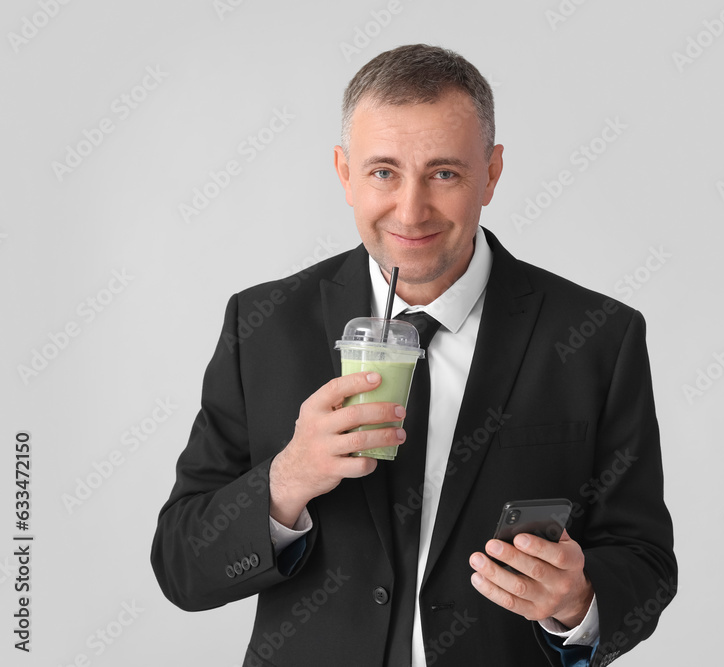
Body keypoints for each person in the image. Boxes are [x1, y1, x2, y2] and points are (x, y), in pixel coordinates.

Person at [151, 44, 676, 667]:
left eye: (444, 173)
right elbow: (183, 566)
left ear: (492, 171)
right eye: (383, 172)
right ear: (345, 173)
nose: (410, 209)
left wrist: (578, 601)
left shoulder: (598, 336)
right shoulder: (262, 325)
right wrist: (287, 479)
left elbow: (642, 558)